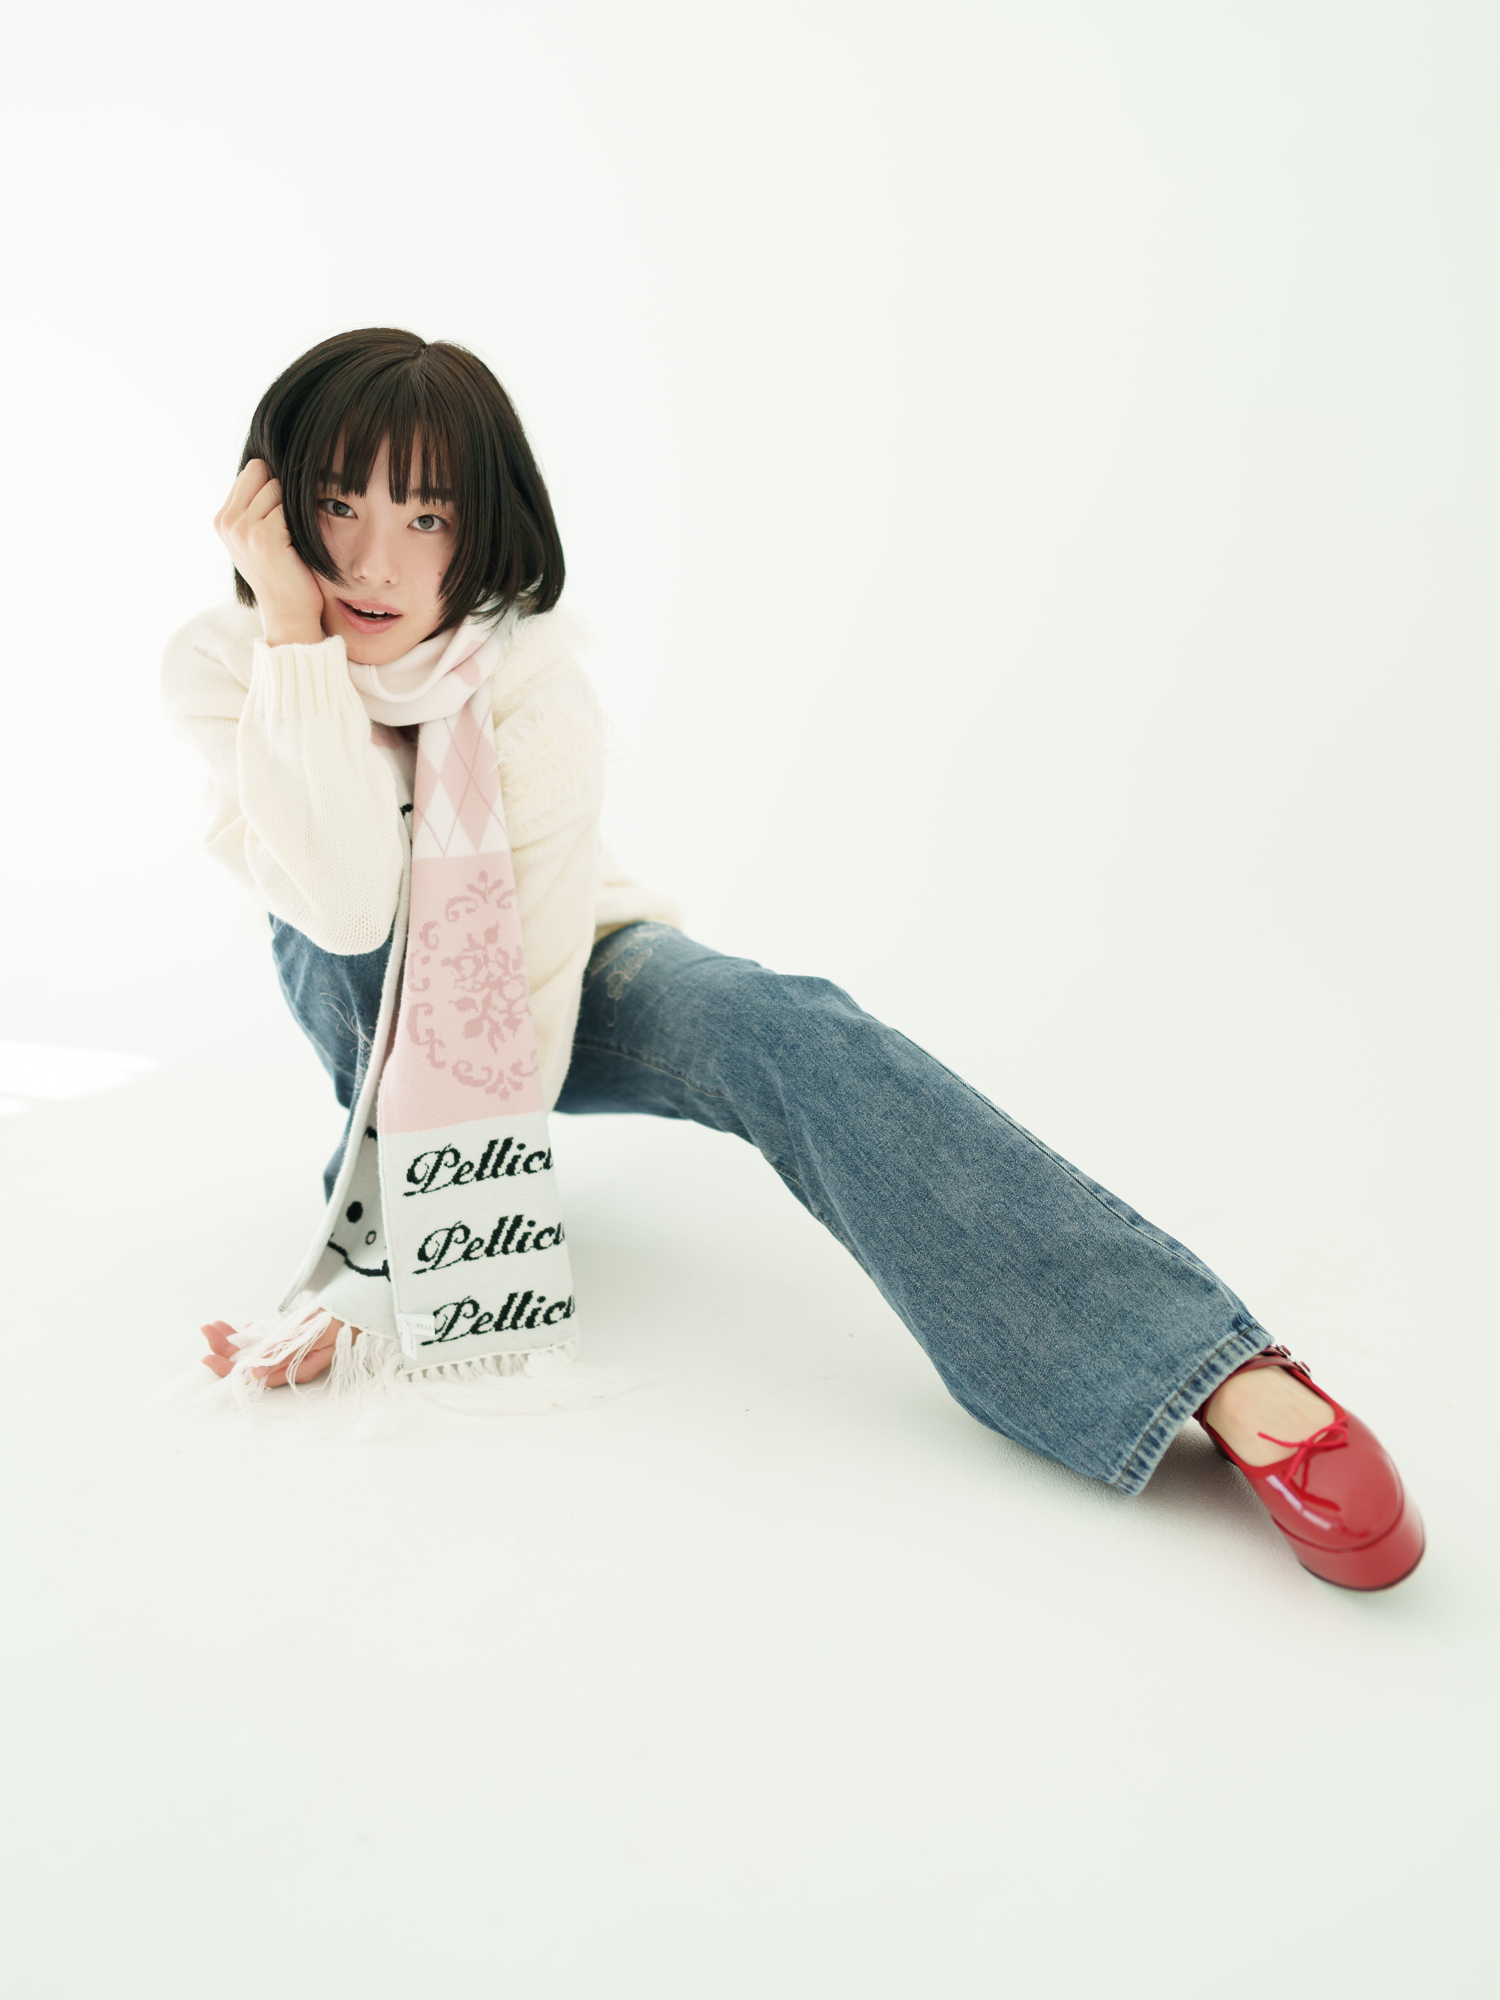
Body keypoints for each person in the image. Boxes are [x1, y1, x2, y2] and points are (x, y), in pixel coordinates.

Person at [161, 327, 1423, 1591]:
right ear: (274, 506)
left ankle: (1190, 1362)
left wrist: (424, 1244)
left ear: (486, 528)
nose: (373, 562)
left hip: (549, 968)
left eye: (427, 516)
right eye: (338, 504)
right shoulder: (225, 665)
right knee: (361, 925)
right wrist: (293, 640)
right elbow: (343, 909)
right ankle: (375, 1203)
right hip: (362, 983)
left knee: (787, 1023)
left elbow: (511, 1025)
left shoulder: (532, 683)